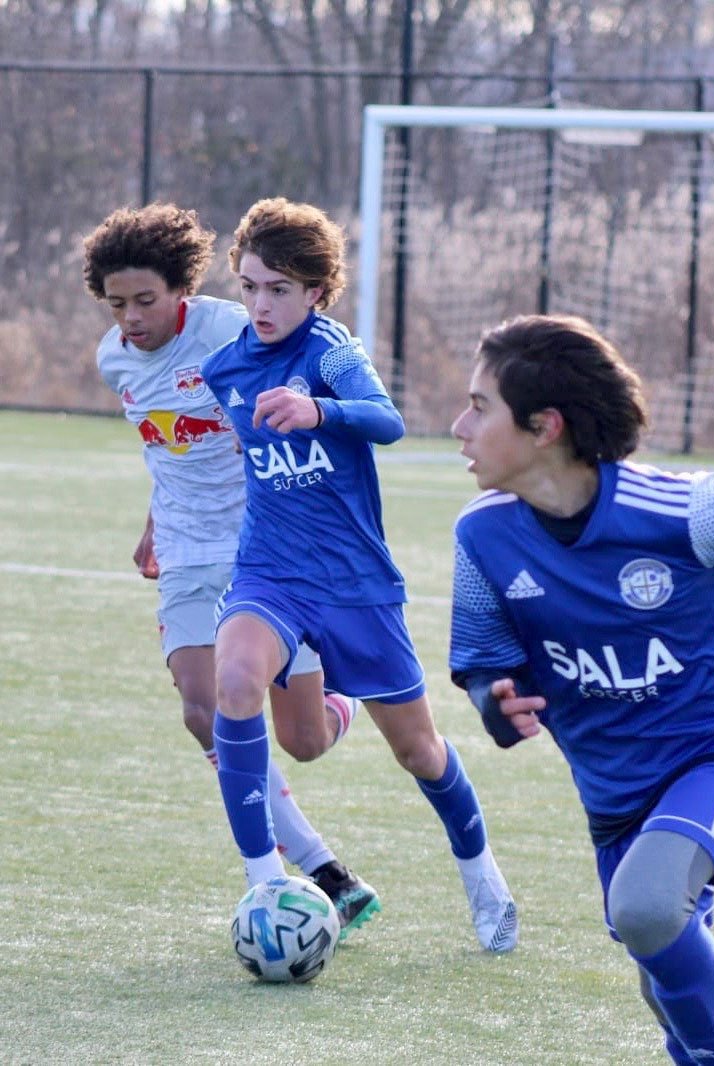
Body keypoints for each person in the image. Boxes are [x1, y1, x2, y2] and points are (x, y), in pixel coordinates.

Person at [450, 312, 714, 1062]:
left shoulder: (679, 510)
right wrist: (495, 707)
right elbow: (483, 664)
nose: (459, 425)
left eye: (479, 406)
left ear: (544, 427)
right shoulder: (482, 536)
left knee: (647, 908)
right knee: (658, 965)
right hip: (615, 785)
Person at [199, 196, 518, 954]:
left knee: (420, 752)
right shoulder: (226, 367)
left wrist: (320, 413)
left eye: (279, 288)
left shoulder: (331, 352)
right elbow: (238, 462)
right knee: (234, 683)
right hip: (269, 573)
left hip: (354, 583)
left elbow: (386, 420)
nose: (261, 303)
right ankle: (265, 883)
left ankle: (482, 877)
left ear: (315, 291)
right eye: (249, 286)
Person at [83, 202, 380, 938]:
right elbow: (163, 446)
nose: (132, 319)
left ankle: (350, 692)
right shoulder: (111, 358)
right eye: (117, 304)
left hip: (265, 548)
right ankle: (304, 874)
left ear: (182, 288)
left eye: (146, 301)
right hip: (186, 553)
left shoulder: (233, 331)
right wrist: (152, 525)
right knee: (200, 706)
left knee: (303, 741)